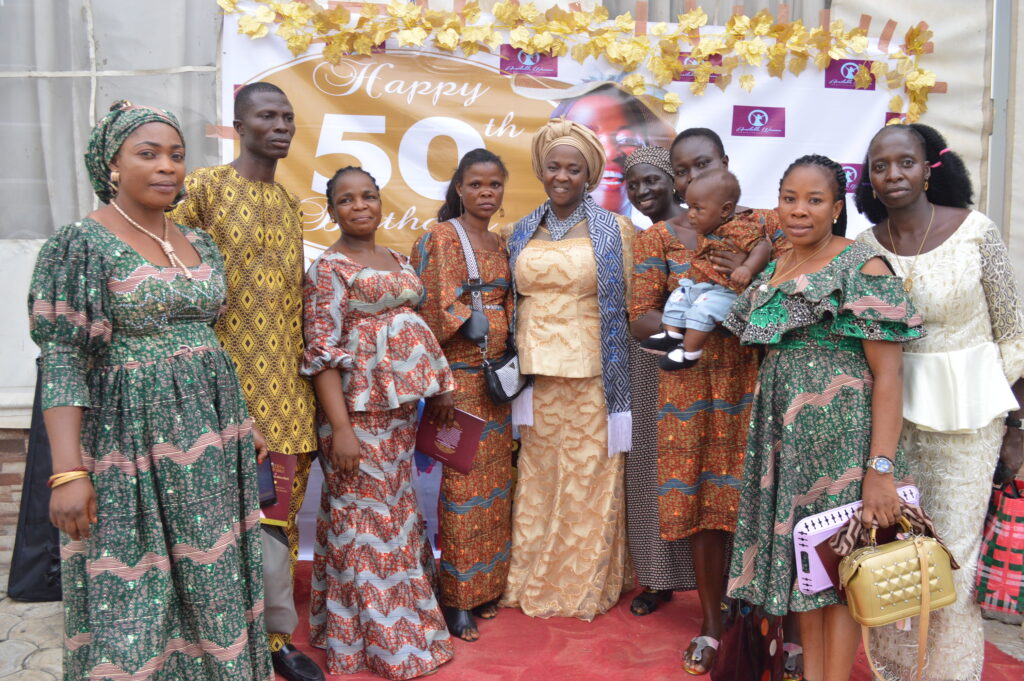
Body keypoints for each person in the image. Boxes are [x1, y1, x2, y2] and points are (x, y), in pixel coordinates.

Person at [31, 100, 272, 680]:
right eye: (148, 154)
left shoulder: (199, 241)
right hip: (129, 444)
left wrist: (244, 420)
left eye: (177, 155)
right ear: (112, 165)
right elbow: (63, 359)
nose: (167, 166)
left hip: (212, 441)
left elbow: (209, 340)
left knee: (213, 580)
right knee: (134, 591)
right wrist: (67, 472)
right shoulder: (80, 244)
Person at [724, 154, 923, 681]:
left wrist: (879, 470)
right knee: (805, 577)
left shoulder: (863, 267)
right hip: (787, 447)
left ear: (836, 208)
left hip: (845, 449)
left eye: (814, 200)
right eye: (789, 198)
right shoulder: (776, 267)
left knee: (840, 579)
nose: (799, 210)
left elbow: (889, 376)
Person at [853, 124, 1024, 681]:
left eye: (906, 162)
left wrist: (1018, 429)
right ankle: (896, 671)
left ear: (929, 169)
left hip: (970, 421)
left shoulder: (976, 231)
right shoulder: (864, 247)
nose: (893, 174)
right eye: (880, 166)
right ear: (869, 179)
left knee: (953, 559)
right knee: (897, 555)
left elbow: (1013, 333)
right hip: (890, 424)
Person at [170, 81, 322, 681]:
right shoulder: (205, 189)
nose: (281, 126)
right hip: (221, 390)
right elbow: (172, 276)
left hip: (288, 395)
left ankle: (276, 640)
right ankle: (215, 638)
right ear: (238, 125)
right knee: (219, 522)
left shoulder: (288, 204)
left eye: (287, 116)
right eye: (267, 116)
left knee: (277, 521)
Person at [629, 128, 782, 675]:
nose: (691, 177)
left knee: (756, 507)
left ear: (725, 163)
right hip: (687, 391)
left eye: (703, 165)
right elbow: (639, 318)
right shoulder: (657, 240)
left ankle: (765, 625)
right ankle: (713, 625)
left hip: (750, 385)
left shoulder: (765, 224)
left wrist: (742, 295)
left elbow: (790, 292)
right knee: (702, 511)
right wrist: (685, 321)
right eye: (683, 170)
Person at [301, 166, 455, 679]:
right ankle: (389, 642)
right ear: (331, 211)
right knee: (363, 520)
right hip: (355, 415)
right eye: (346, 200)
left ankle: (358, 628)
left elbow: (413, 330)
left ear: (380, 202)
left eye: (368, 196)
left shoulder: (398, 258)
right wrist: (342, 429)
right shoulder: (327, 269)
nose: (360, 206)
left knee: (391, 511)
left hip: (398, 413)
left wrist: (436, 386)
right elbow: (321, 355)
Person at [498, 118, 633, 620]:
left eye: (573, 169)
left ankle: (580, 583)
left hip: (594, 373)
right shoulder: (518, 231)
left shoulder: (615, 231)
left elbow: (630, 305)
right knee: (538, 478)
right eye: (553, 166)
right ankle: (530, 573)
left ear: (589, 175)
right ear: (541, 170)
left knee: (588, 478)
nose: (562, 176)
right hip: (534, 376)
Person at [411, 148, 515, 642]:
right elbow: (425, 304)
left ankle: (484, 587)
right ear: (458, 188)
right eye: (475, 184)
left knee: (496, 488)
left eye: (494, 184)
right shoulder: (442, 236)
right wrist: (462, 323)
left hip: (497, 383)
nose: (485, 193)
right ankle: (455, 599)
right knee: (461, 490)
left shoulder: (500, 241)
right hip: (457, 382)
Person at [621, 145, 697, 617]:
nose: (642, 190)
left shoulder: (703, 229)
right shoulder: (636, 238)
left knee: (698, 469)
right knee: (650, 467)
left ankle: (715, 580)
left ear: (673, 180)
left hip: (702, 364)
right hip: (649, 366)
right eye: (633, 184)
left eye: (651, 180)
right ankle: (656, 578)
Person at [640, 169, 771, 370]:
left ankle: (689, 352)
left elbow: (762, 247)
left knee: (703, 309)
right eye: (689, 207)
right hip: (702, 286)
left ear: (725, 210)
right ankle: (672, 334)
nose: (690, 215)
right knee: (679, 295)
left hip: (727, 291)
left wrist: (747, 268)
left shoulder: (741, 228)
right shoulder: (707, 227)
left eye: (698, 209)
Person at [552, 83, 675, 215]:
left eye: (628, 140)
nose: (610, 154)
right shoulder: (536, 228)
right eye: (587, 139)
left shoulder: (670, 228)